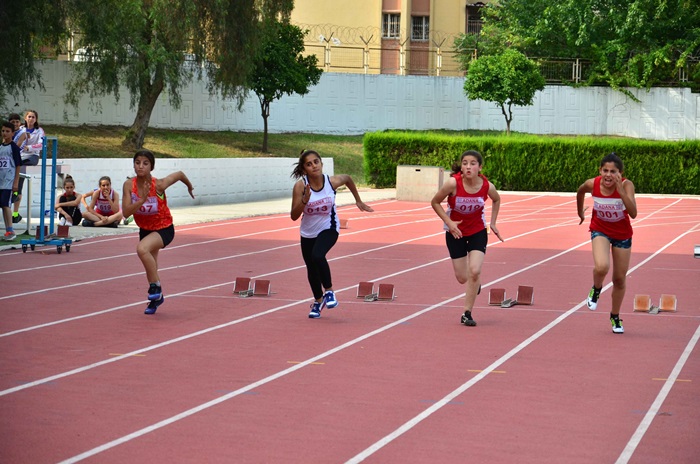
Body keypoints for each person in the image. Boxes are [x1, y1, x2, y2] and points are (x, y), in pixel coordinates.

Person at [290, 149, 374, 319]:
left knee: (317, 255)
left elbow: (348, 179)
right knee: (311, 268)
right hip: (307, 232)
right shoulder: (300, 186)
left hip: (329, 227)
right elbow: (293, 216)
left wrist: (358, 199)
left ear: (321, 163)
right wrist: (304, 201)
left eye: (316, 162)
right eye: (309, 164)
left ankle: (329, 291)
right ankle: (317, 301)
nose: (314, 166)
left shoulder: (332, 182)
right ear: (304, 169)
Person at [431, 150, 503, 327]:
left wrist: (493, 222)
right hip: (455, 232)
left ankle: (466, 313)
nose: (468, 167)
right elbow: (434, 202)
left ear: (480, 167)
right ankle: (474, 283)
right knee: (463, 278)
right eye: (465, 163)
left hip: (477, 231)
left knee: (475, 270)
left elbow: (496, 200)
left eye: (472, 163)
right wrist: (449, 222)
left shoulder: (487, 186)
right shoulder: (452, 184)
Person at [122, 149, 194, 315]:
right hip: (145, 229)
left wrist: (189, 187)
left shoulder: (159, 185)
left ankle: (156, 288)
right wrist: (141, 200)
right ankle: (156, 299)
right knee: (151, 266)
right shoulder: (128, 185)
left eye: (145, 163)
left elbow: (180, 174)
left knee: (142, 249)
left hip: (164, 229)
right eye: (137, 162)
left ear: (151, 167)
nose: (140, 166)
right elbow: (126, 212)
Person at [577, 152, 637, 334]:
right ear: (600, 170)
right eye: (605, 170)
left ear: (620, 173)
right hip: (600, 229)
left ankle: (615, 316)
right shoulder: (592, 184)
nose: (608, 175)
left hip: (622, 234)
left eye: (613, 171)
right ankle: (596, 289)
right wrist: (580, 212)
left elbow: (633, 213)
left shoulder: (627, 186)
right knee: (602, 266)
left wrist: (620, 192)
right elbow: (580, 191)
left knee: (619, 279)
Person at [11, 110, 43, 223]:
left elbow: (41, 144)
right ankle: (15, 212)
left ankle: (15, 196)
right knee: (19, 180)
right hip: (20, 156)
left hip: (32, 156)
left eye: (33, 117)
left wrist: (29, 148)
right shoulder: (20, 130)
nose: (31, 119)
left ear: (36, 119)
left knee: (20, 171)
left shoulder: (39, 131)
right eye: (29, 116)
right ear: (25, 118)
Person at [0, 122, 22, 240]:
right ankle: (7, 230)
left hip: (9, 181)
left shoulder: (14, 148)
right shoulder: (1, 147)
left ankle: (11, 230)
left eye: (7, 131)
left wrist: (15, 182)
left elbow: (18, 165)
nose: (5, 133)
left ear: (13, 133)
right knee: (3, 206)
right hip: (1, 181)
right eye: (3, 131)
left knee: (6, 204)